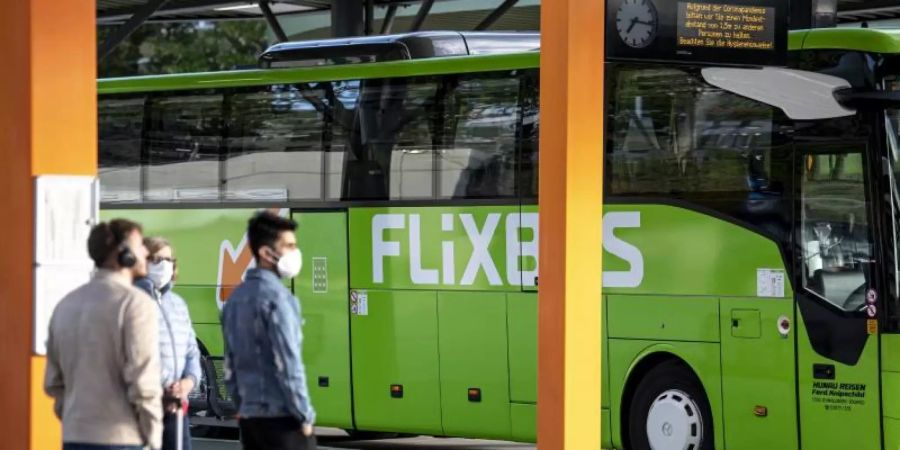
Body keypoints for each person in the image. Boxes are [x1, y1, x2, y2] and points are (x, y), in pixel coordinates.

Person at [44, 219, 162, 450]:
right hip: (121, 436)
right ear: (124, 254)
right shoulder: (135, 304)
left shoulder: (66, 304)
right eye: (140, 246)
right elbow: (142, 380)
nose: (146, 251)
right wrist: (153, 434)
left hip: (74, 435)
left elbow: (54, 382)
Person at [222, 211, 316, 450]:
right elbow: (288, 364)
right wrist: (304, 415)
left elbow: (230, 364)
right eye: (289, 246)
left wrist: (242, 406)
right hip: (282, 419)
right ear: (266, 253)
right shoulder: (279, 299)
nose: (295, 252)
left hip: (251, 419)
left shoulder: (235, 299)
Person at [135, 237, 202, 450]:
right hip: (144, 408)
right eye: (155, 259)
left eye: (167, 259)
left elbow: (192, 352)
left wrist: (188, 382)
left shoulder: (178, 304)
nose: (163, 265)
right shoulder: (133, 301)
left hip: (175, 407)